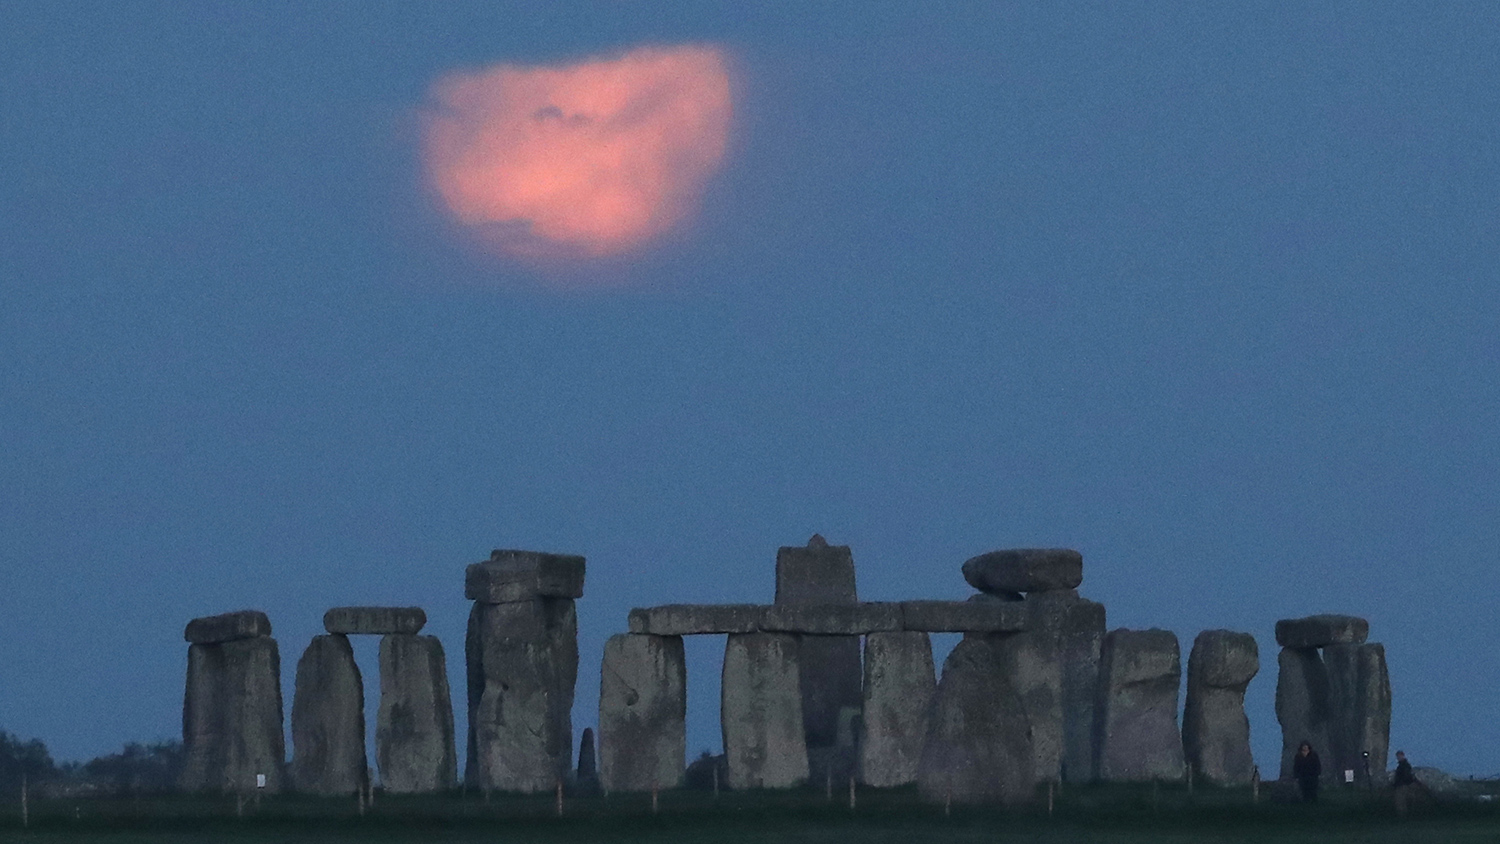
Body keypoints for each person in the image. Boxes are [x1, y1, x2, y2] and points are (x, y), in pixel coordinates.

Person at [1392, 750, 1419, 816]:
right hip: (1404, 784)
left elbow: (1405, 776)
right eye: (1397, 756)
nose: (1398, 757)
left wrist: (1398, 783)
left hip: (1402, 785)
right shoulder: (1404, 765)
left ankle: (1403, 816)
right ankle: (1406, 815)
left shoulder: (1404, 766)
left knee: (1400, 801)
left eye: (1399, 756)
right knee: (1404, 801)